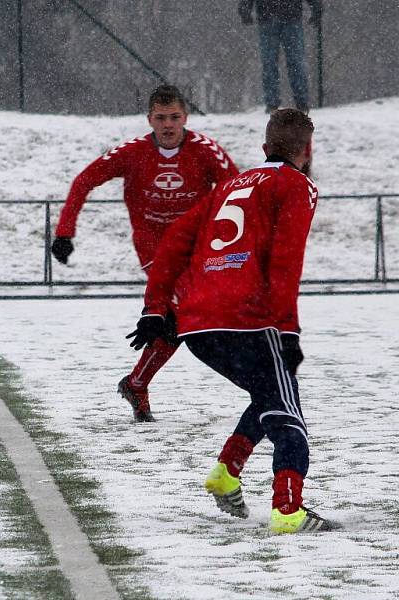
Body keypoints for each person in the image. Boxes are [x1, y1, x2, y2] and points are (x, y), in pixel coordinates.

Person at [127, 109, 333, 534]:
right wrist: (288, 329)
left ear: (264, 148)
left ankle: (226, 473)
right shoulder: (297, 186)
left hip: (198, 324)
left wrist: (155, 307)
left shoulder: (226, 187)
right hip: (249, 320)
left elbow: (172, 246)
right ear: (306, 150)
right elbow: (285, 262)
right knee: (287, 415)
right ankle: (289, 510)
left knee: (269, 394)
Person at [51, 85, 239, 422]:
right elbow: (84, 180)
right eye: (161, 118)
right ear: (149, 119)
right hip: (154, 247)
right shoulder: (132, 152)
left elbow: (238, 192)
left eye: (175, 117)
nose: (168, 125)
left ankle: (137, 383)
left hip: (196, 246)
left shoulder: (207, 151)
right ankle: (141, 381)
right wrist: (65, 232)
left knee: (177, 323)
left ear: (185, 117)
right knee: (185, 311)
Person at [238, 0, 323, 113]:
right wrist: (316, 8)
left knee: (272, 63)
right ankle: (300, 102)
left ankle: (274, 103)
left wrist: (245, 8)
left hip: (270, 16)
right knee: (293, 62)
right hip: (288, 16)